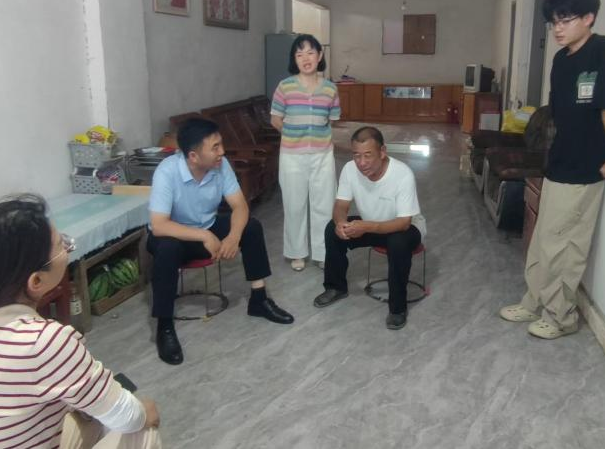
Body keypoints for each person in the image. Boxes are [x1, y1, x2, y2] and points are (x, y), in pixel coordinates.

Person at [0, 196, 161, 449]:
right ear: (36, 281)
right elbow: (128, 418)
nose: (67, 248)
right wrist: (143, 411)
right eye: (62, 245)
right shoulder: (43, 342)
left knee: (85, 414)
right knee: (141, 429)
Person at [499, 0, 605, 340]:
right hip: (559, 161)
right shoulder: (561, 59)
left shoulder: (602, 50)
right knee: (543, 238)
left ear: (589, 18)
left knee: (566, 245)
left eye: (566, 20)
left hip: (586, 166)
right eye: (554, 22)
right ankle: (533, 301)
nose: (558, 29)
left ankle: (561, 316)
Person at [147, 118, 294, 365]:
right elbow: (160, 225)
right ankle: (165, 326)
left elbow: (240, 206)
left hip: (208, 225)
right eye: (215, 147)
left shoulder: (220, 165)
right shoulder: (167, 171)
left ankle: (259, 300)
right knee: (167, 249)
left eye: (221, 144)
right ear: (193, 156)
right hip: (175, 234)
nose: (222, 152)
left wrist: (233, 237)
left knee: (251, 227)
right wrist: (205, 236)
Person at [312, 126, 425, 330]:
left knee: (398, 242)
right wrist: (340, 223)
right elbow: (341, 205)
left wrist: (367, 226)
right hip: (371, 225)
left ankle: (397, 308)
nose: (361, 162)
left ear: (382, 152)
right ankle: (336, 287)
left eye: (368, 155)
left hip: (404, 228)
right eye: (356, 155)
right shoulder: (349, 169)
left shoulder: (402, 174)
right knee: (331, 230)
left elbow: (404, 222)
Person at [270, 34, 341, 272]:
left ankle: (323, 253)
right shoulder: (285, 87)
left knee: (324, 205)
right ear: (294, 59)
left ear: (320, 56)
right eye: (299, 54)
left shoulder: (330, 89)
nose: (305, 58)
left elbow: (332, 120)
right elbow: (275, 119)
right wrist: (293, 135)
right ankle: (296, 253)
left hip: (323, 155)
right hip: (292, 156)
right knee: (294, 205)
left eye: (310, 52)